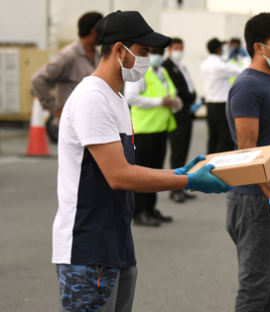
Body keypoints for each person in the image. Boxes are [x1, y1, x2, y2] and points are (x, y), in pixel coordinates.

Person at [52, 10, 230, 312]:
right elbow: (119, 175)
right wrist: (187, 181)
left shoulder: (117, 98)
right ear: (119, 50)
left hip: (116, 242)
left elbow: (126, 168)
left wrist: (177, 170)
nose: (148, 59)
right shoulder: (92, 98)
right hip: (88, 247)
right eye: (144, 51)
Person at [225, 12, 270, 312]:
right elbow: (247, 150)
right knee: (256, 287)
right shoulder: (247, 86)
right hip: (257, 198)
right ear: (258, 47)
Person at [124, 47, 182, 226]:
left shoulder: (162, 72)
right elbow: (131, 97)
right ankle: (139, 211)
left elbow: (170, 94)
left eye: (160, 52)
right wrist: (159, 102)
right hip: (144, 130)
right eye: (154, 52)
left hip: (160, 128)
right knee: (143, 174)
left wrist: (175, 103)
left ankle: (150, 208)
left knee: (155, 172)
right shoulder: (140, 74)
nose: (158, 55)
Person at [31, 11, 103, 142]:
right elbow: (38, 80)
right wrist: (55, 109)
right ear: (93, 31)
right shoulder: (69, 55)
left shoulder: (98, 56)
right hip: (72, 127)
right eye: (102, 30)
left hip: (92, 125)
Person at [163, 37, 201, 203]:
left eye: (181, 48)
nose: (179, 51)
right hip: (177, 113)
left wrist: (194, 98)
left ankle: (181, 185)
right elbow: (178, 90)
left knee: (184, 151)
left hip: (187, 113)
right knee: (177, 152)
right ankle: (175, 188)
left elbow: (189, 86)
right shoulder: (167, 67)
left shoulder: (181, 66)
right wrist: (190, 96)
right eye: (176, 48)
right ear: (169, 50)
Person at [201, 38, 243, 154]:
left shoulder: (205, 63)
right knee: (225, 138)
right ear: (219, 49)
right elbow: (241, 70)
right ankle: (219, 164)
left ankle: (208, 161)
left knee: (213, 137)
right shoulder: (220, 65)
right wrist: (243, 58)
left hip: (210, 104)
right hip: (221, 105)